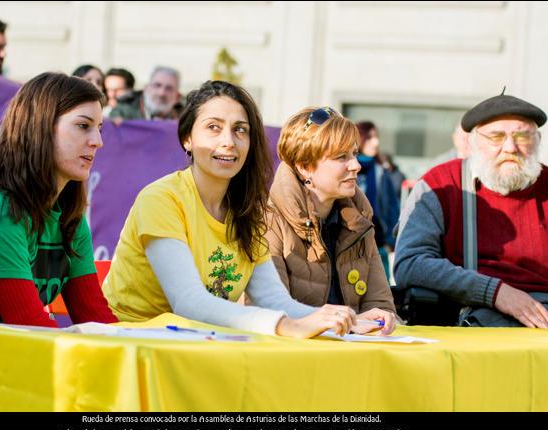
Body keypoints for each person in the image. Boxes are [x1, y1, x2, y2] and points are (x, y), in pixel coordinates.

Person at [103, 81, 380, 338]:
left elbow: (273, 300)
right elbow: (188, 302)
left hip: (199, 346)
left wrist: (349, 322)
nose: (229, 141)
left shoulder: (249, 211)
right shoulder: (161, 199)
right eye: (213, 127)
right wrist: (286, 325)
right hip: (134, 347)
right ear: (187, 138)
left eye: (240, 129)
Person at [394, 93, 548, 330]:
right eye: (496, 137)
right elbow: (410, 263)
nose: (510, 147)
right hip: (472, 321)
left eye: (522, 136)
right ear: (473, 143)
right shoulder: (440, 184)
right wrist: (494, 292)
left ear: (537, 140)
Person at [0, 72, 117, 327]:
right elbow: (28, 324)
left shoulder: (70, 217)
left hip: (12, 352)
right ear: (40, 126)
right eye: (83, 126)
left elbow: (96, 319)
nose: (97, 142)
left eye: (99, 129)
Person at [263, 106, 397, 332]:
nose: (356, 165)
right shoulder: (267, 222)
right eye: (341, 157)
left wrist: (381, 321)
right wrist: (352, 323)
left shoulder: (361, 223)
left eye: (354, 153)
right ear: (305, 167)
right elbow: (269, 312)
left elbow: (381, 306)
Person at [355, 121, 400, 280]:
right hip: (350, 243)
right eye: (370, 137)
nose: (376, 142)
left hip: (377, 242)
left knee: (381, 293)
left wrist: (391, 240)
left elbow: (392, 208)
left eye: (376, 137)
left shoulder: (382, 171)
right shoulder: (345, 168)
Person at [110, 65, 183, 122]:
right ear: (146, 88)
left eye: (169, 88)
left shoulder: (185, 116)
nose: (161, 93)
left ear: (178, 96)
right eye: (157, 85)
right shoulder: (123, 111)